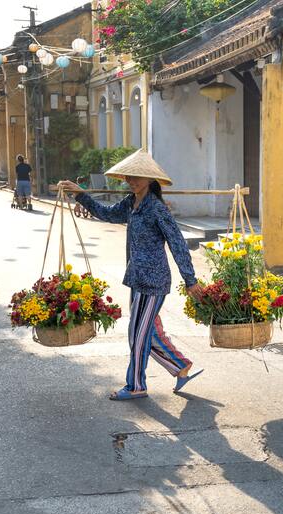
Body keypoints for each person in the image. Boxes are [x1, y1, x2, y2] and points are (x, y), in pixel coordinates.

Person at [57, 150, 204, 400]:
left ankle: (136, 385)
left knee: (137, 334)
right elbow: (106, 213)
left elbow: (177, 243)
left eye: (137, 176)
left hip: (153, 281)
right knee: (147, 332)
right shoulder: (130, 203)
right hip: (137, 278)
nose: (132, 180)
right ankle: (180, 367)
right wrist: (80, 195)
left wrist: (190, 280)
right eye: (129, 176)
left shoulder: (156, 208)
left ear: (149, 179)